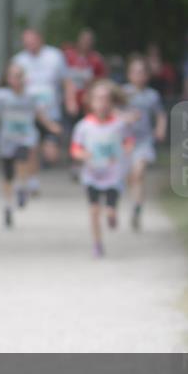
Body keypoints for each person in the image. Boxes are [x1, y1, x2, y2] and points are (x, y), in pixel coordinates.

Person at [0, 62, 62, 229]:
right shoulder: (1, 95)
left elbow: (40, 114)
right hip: (6, 139)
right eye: (12, 76)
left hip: (25, 137)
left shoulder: (31, 96)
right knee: (7, 176)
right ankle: (8, 205)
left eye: (19, 75)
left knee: (22, 159)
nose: (16, 79)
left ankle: (22, 187)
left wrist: (51, 126)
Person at [70, 80, 135, 257]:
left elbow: (128, 141)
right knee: (94, 210)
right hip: (92, 175)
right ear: (90, 102)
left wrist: (126, 151)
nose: (102, 104)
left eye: (106, 99)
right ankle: (97, 243)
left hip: (113, 175)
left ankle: (112, 215)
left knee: (109, 210)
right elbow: (75, 149)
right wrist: (83, 155)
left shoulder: (119, 125)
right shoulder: (84, 126)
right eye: (98, 99)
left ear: (112, 102)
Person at [11, 28, 71, 196]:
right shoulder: (19, 60)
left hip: (51, 112)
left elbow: (66, 81)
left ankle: (36, 172)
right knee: (31, 146)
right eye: (26, 42)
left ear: (40, 39)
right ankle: (32, 180)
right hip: (29, 113)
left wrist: (70, 100)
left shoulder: (55, 56)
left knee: (50, 153)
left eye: (32, 41)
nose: (29, 45)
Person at [122, 55, 166, 231]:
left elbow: (160, 115)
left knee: (139, 173)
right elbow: (114, 112)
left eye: (141, 72)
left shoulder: (152, 95)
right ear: (129, 74)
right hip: (125, 141)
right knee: (131, 177)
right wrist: (126, 118)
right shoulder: (123, 93)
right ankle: (135, 200)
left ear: (147, 75)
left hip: (144, 140)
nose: (138, 75)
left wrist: (160, 129)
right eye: (135, 72)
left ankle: (137, 209)